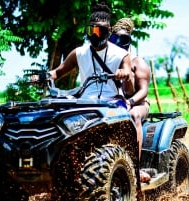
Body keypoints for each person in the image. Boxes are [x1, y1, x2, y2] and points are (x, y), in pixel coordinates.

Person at [48, 3, 134, 99]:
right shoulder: (78, 53)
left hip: (111, 104)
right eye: (91, 30)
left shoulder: (122, 55)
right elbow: (56, 73)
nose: (94, 35)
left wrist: (126, 76)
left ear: (109, 31)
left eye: (99, 31)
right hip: (84, 103)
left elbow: (129, 92)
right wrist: (43, 77)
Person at [109, 18, 151, 182]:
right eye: (115, 39)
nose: (119, 42)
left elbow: (143, 92)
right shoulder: (109, 62)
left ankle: (136, 168)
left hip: (138, 104)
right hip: (116, 105)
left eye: (123, 39)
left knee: (133, 115)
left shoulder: (137, 62)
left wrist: (130, 102)